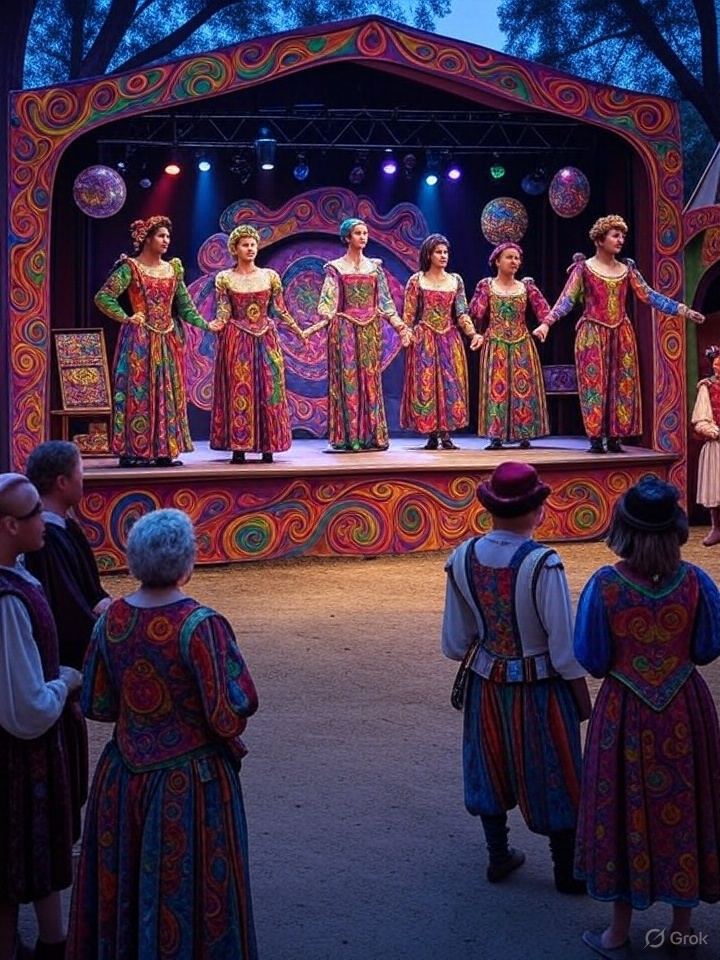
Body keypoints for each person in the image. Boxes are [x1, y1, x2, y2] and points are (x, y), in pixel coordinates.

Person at [67, 508, 259, 960]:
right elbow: (229, 712)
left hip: (122, 778)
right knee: (189, 885)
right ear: (187, 562)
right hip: (189, 783)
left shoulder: (111, 620)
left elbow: (97, 703)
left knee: (125, 880)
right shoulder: (201, 625)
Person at [574, 476, 720, 959]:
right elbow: (707, 648)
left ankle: (617, 934)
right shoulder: (696, 582)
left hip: (624, 713)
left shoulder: (605, 585)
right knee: (686, 804)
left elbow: (593, 659)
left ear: (622, 529)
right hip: (684, 711)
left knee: (621, 808)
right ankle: (681, 931)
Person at [441, 461, 591, 894]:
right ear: (537, 510)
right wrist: (583, 700)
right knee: (555, 767)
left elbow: (455, 642)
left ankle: (498, 854)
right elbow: (563, 649)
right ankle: (565, 869)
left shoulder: (461, 557)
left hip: (485, 684)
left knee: (488, 764)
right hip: (539, 688)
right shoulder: (544, 564)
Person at [0, 473, 83, 960]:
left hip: (29, 753)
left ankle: (48, 942)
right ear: (10, 525)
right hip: (17, 758)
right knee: (17, 858)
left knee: (29, 858)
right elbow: (26, 710)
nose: (44, 520)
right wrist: (65, 682)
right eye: (34, 512)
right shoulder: (7, 601)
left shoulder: (19, 575)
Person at [539, 215, 704, 454]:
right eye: (615, 235)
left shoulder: (627, 270)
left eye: (622, 236)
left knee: (623, 384)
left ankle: (616, 437)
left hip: (621, 332)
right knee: (594, 384)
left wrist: (682, 310)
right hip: (592, 332)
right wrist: (547, 323)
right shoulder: (584, 268)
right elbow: (567, 299)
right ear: (600, 240)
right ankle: (596, 437)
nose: (620, 240)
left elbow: (649, 295)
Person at [94, 215, 222, 468]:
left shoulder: (172, 269)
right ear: (147, 239)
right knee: (138, 392)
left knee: (167, 392)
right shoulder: (130, 268)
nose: (166, 240)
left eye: (168, 236)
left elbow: (185, 305)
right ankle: (133, 450)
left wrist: (206, 325)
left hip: (167, 340)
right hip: (140, 340)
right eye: (161, 236)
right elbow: (103, 297)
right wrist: (127, 317)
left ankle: (164, 450)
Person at [210, 224, 309, 464]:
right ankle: (239, 447)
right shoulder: (225, 278)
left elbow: (280, 309)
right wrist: (212, 325)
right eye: (245, 245)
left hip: (265, 337)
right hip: (238, 337)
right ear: (235, 249)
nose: (250, 248)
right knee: (240, 388)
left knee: (269, 388)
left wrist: (297, 330)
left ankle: (268, 446)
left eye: (253, 244)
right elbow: (224, 311)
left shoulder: (269, 276)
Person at [315, 217, 413, 451]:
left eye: (365, 233)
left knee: (369, 379)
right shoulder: (336, 268)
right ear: (347, 237)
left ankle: (371, 435)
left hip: (370, 329)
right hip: (345, 329)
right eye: (358, 233)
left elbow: (386, 302)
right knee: (348, 379)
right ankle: (350, 437)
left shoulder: (374, 268)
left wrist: (400, 326)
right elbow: (328, 299)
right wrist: (326, 315)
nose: (363, 237)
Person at [400, 233, 481, 449]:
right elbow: (408, 314)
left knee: (450, 384)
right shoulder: (417, 280)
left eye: (445, 252)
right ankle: (431, 435)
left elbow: (462, 312)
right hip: (425, 337)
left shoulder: (455, 280)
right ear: (429, 254)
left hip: (449, 337)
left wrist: (473, 334)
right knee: (427, 384)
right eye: (439, 252)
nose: (443, 256)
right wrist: (406, 333)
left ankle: (446, 434)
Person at [469, 242, 551, 450]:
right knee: (497, 388)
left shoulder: (526, 286)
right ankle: (496, 435)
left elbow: (544, 311)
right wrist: (475, 332)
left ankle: (524, 433)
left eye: (517, 258)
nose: (514, 261)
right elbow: (475, 313)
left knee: (523, 387)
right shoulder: (487, 286)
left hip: (521, 342)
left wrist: (544, 326)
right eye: (509, 257)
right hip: (495, 342)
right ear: (497, 261)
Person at [691, 345, 720, 547]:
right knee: (716, 487)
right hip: (717, 443)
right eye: (716, 365)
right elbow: (700, 418)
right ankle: (717, 527)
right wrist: (713, 431)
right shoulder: (707, 387)